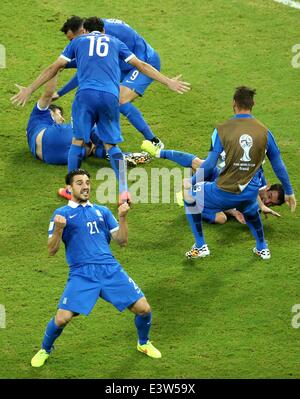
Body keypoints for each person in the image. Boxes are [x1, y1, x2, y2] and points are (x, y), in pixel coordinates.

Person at [11, 17, 190, 202]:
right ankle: (124, 191)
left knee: (78, 142)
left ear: (85, 31)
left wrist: (30, 89)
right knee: (111, 146)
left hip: (86, 96)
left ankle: (70, 189)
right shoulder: (115, 42)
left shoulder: (79, 42)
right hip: (109, 97)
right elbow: (142, 66)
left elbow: (54, 68)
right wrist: (168, 81)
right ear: (103, 30)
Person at [30, 168, 161, 368]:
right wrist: (58, 229)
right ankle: (44, 349)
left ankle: (143, 343)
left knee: (144, 309)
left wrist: (123, 217)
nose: (85, 187)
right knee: (62, 318)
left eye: (87, 183)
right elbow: (51, 250)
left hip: (110, 269)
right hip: (82, 273)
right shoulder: (61, 214)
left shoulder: (102, 211)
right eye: (79, 183)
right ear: (69, 188)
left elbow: (122, 241)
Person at [180, 86, 296, 260]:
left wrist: (193, 181)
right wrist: (289, 191)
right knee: (250, 210)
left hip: (224, 191)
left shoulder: (221, 129)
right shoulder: (265, 132)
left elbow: (211, 164)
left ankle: (200, 245)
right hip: (249, 193)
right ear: (253, 104)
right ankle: (262, 248)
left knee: (189, 195)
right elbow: (278, 164)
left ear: (234, 103)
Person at [58, 16, 164, 148]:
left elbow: (86, 69)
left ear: (82, 31)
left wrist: (60, 91)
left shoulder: (105, 36)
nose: (72, 43)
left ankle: (154, 141)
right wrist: (63, 66)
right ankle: (104, 142)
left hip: (144, 62)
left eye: (72, 39)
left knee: (120, 100)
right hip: (124, 63)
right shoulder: (96, 30)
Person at [141, 141, 283, 224]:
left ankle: (188, 199)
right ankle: (159, 152)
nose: (267, 200)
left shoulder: (253, 208)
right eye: (269, 196)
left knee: (221, 219)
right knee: (201, 164)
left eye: (271, 203)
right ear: (268, 187)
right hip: (219, 179)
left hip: (219, 194)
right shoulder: (259, 182)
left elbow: (228, 203)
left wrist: (234, 213)